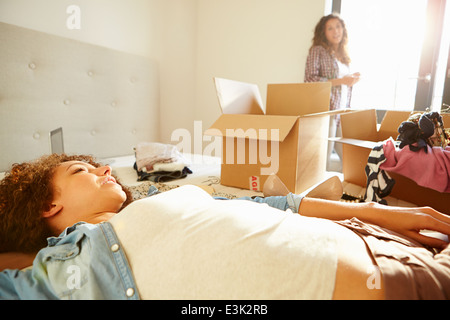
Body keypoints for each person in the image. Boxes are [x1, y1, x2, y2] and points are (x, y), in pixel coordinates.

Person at [0, 154, 450, 299]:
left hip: (377, 243)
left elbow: (275, 203)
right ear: (46, 203)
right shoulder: (61, 272)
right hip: (388, 282)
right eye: (83, 171)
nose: (106, 171)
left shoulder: (158, 198)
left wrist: (379, 212)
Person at [305, 13, 361, 171]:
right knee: (324, 160)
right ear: (324, 32)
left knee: (351, 160)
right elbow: (309, 80)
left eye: (338, 26)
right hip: (326, 111)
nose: (335, 31)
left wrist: (351, 80)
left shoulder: (344, 56)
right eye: (330, 28)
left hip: (341, 113)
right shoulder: (318, 51)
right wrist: (342, 81)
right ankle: (319, 193)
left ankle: (349, 193)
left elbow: (343, 87)